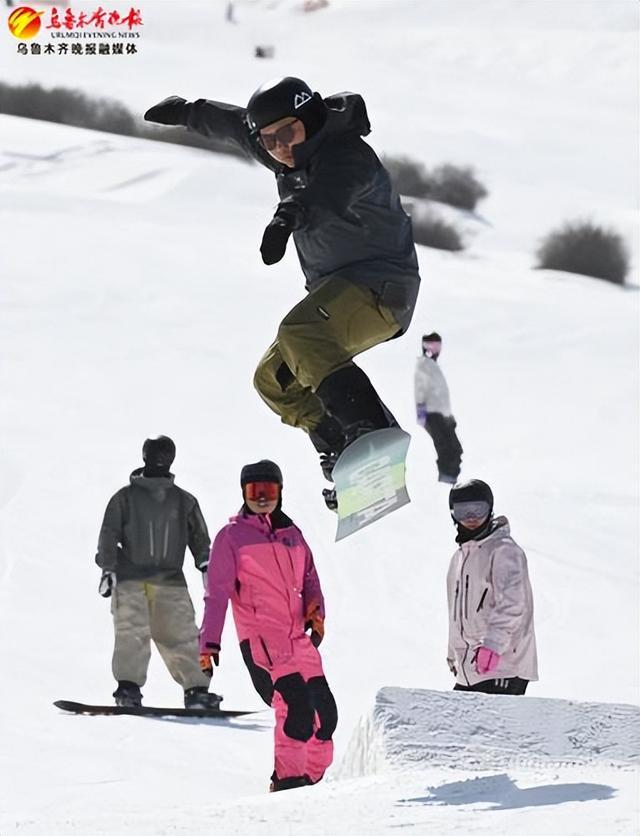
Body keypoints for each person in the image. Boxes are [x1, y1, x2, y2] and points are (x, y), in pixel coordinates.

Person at [144, 77, 421, 491]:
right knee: (274, 380)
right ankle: (342, 449)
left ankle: (370, 432)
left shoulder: (347, 154)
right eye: (271, 142)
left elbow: (327, 195)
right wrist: (186, 111)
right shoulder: (282, 151)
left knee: (300, 333)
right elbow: (236, 124)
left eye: (289, 134)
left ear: (311, 120)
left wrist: (287, 216)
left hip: (380, 285)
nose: (282, 149)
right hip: (341, 294)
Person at [199, 459, 337, 791]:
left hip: (297, 639)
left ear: (280, 492)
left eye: (269, 490)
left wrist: (315, 612)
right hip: (263, 642)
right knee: (296, 711)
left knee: (326, 716)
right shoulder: (231, 537)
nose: (262, 497)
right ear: (244, 493)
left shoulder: (291, 533)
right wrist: (208, 643)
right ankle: (288, 785)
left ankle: (311, 782)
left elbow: (309, 578)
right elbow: (216, 593)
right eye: (254, 491)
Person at [95, 436, 221, 710]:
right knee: (131, 630)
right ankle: (128, 687)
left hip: (170, 580)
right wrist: (107, 567)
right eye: (156, 454)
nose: (161, 460)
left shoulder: (184, 501)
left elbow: (199, 536)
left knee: (181, 632)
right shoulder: (125, 498)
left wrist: (206, 564)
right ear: (145, 456)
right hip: (130, 578)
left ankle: (197, 689)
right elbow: (109, 533)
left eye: (166, 455)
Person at [446, 479, 538, 695]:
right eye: (462, 511)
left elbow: (513, 604)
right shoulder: (459, 558)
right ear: (452, 514)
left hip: (504, 666)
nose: (470, 518)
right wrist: (454, 651)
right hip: (470, 667)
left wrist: (493, 646)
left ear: (490, 509)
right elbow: (456, 613)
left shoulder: (504, 551)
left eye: (478, 510)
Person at [414, 332, 463, 483]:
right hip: (432, 413)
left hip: (440, 414)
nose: (436, 350)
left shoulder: (432, 366)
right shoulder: (424, 365)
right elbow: (420, 388)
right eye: (433, 346)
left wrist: (448, 416)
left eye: (437, 346)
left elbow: (441, 394)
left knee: (455, 448)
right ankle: (447, 477)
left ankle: (450, 477)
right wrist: (422, 414)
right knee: (448, 448)